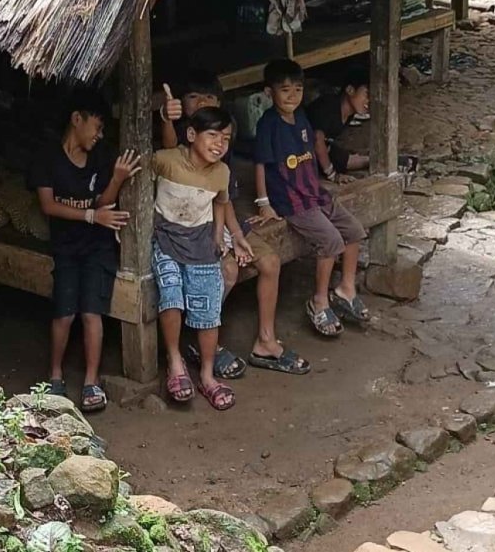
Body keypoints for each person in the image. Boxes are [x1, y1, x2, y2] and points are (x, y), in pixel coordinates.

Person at [159, 73, 308, 376]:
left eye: (209, 98)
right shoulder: (175, 147)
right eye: (193, 98)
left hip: (223, 220)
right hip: (191, 229)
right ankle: (202, 341)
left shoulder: (220, 147)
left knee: (269, 260)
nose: (202, 103)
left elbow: (222, 199)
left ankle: (265, 341)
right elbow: (170, 146)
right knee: (227, 270)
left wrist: (236, 235)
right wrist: (165, 116)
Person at [27, 89, 140, 412]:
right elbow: (48, 205)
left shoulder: (102, 156)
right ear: (77, 119)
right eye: (97, 126)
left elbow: (105, 203)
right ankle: (55, 376)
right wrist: (91, 216)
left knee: (92, 312)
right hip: (65, 246)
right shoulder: (48, 157)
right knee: (64, 313)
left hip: (97, 247)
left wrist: (117, 179)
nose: (99, 134)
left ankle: (92, 381)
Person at [254, 59, 369, 338]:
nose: (292, 96)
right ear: (270, 93)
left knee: (354, 230)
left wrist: (327, 177)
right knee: (330, 240)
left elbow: (309, 156)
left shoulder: (302, 119)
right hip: (291, 200)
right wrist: (264, 203)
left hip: (313, 192)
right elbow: (259, 165)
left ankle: (346, 289)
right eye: (285, 91)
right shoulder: (268, 125)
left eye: (297, 89)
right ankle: (319, 301)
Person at [150, 105, 236, 410]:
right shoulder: (167, 160)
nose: (219, 144)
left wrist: (218, 236)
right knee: (171, 296)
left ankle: (208, 376)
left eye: (225, 138)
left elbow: (221, 203)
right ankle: (175, 362)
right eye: (212, 135)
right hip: (166, 241)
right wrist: (165, 118)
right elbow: (139, 179)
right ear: (191, 135)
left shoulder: (221, 173)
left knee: (208, 310)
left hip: (201, 246)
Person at [308, 71, 371, 182]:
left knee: (342, 158)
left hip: (321, 149)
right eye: (366, 94)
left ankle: (375, 160)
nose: (369, 101)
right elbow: (317, 139)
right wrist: (333, 175)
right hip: (301, 151)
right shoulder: (329, 106)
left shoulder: (349, 114)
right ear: (350, 90)